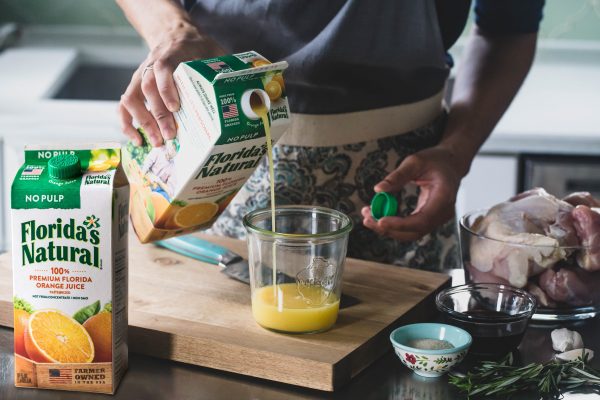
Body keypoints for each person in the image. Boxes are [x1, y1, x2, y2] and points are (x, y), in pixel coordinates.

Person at [116, 0, 545, 271]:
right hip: (214, 164)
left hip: (401, 184)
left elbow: (510, 27)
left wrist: (456, 150)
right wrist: (174, 31)